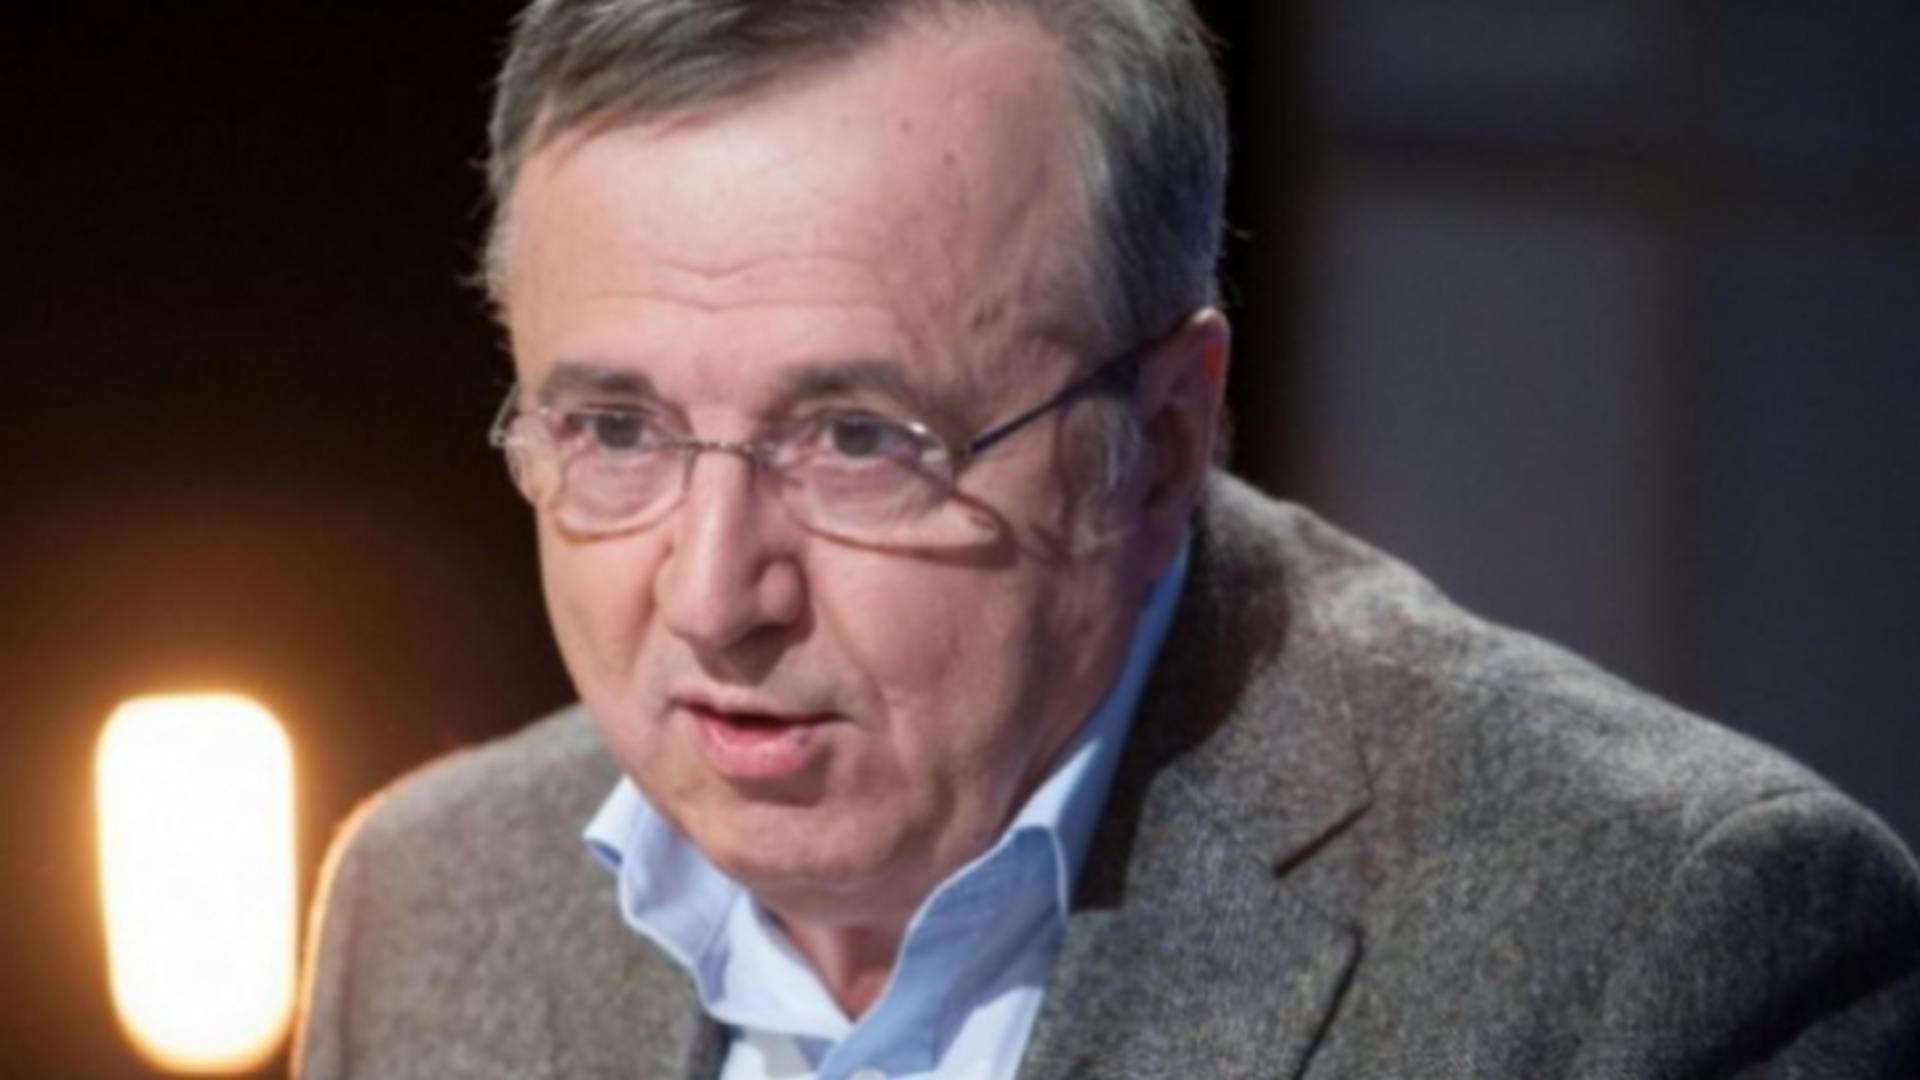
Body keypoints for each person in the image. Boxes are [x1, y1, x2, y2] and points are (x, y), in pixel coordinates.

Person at [294, 0, 1920, 1075]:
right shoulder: (426, 906)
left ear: (1160, 445)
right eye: (616, 431)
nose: (716, 595)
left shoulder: (1672, 956)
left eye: (858, 441)